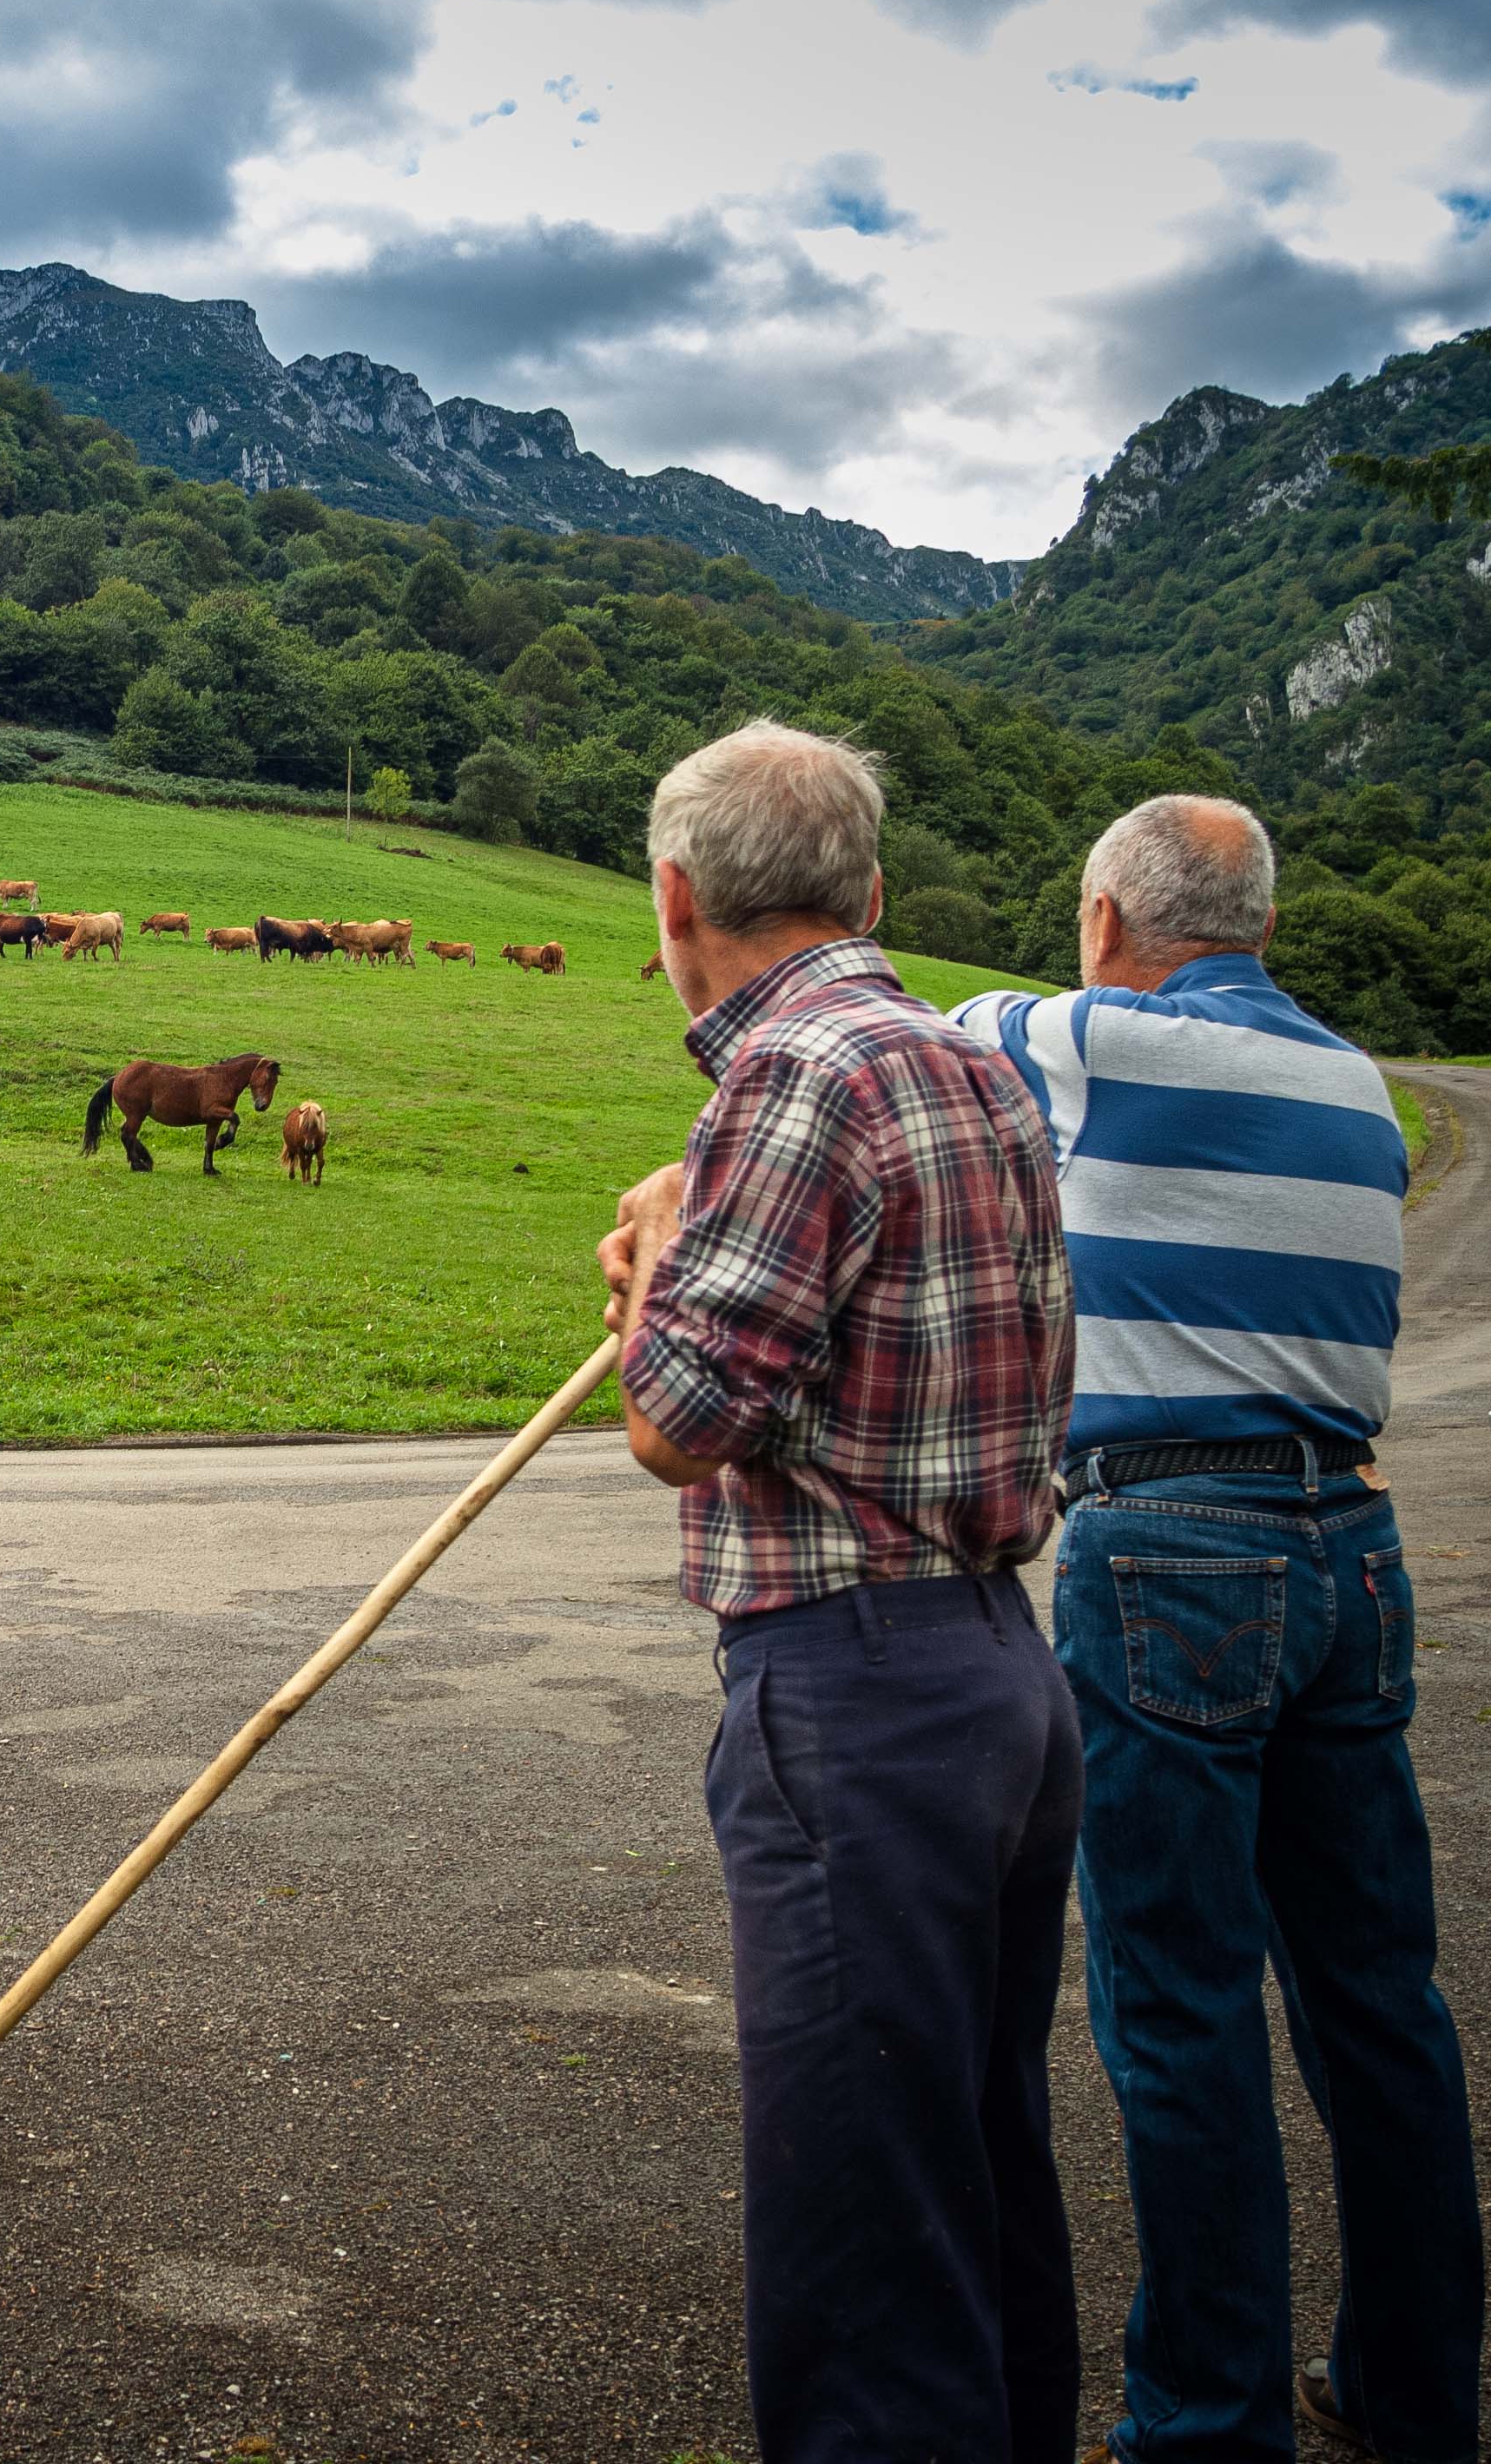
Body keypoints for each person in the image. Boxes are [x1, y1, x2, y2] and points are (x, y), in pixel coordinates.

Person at [952, 798, 1480, 2464]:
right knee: (1380, 1996)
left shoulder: (1093, 1040)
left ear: (1108, 918)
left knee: (1180, 2002)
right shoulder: (1358, 1085)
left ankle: (1208, 2420)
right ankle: (1418, 2392)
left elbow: (886, 1031)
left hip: (1174, 1537)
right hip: (1355, 1546)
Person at [597, 722, 1083, 2463]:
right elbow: (862, 1351)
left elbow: (679, 1418)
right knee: (965, 2159)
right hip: (995, 1673)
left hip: (853, 1683)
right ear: (869, 889)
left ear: (671, 896)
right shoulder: (968, 1063)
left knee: (862, 2229)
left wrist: (653, 1257)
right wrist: (691, 1240)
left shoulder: (792, 1075)